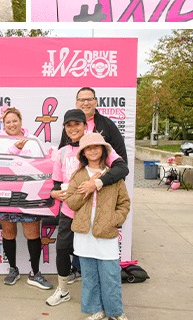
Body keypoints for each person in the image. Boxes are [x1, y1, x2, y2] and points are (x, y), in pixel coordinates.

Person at [47, 109, 130, 307]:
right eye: (69, 125)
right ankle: (63, 290)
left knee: (93, 257)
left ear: (86, 126)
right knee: (62, 249)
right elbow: (56, 184)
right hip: (70, 210)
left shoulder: (97, 147)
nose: (73, 128)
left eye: (77, 124)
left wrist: (97, 183)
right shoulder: (61, 153)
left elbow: (122, 168)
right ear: (65, 129)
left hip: (96, 212)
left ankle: (102, 298)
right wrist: (54, 193)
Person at [64, 133, 131, 320]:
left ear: (103, 150)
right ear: (83, 152)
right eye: (88, 148)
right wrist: (86, 191)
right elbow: (71, 202)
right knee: (89, 276)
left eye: (96, 146)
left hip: (106, 232)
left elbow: (124, 203)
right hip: (84, 235)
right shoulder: (78, 176)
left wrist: (115, 219)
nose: (93, 150)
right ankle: (95, 310)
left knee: (110, 274)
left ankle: (115, 312)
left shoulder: (112, 175)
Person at [0, 107, 54, 290]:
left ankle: (34, 273)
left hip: (30, 193)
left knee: (32, 234)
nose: (12, 124)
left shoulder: (34, 140)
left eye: (15, 120)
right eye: (8, 122)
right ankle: (13, 269)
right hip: (5, 194)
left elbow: (43, 163)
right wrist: (14, 149)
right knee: (8, 233)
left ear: (21, 121)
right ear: (3, 124)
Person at [60, 87, 129, 161]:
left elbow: (121, 154)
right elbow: (62, 153)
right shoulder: (69, 127)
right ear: (76, 104)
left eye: (89, 99)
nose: (86, 103)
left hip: (102, 171)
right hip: (74, 171)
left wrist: (113, 172)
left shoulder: (107, 124)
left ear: (95, 103)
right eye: (82, 100)